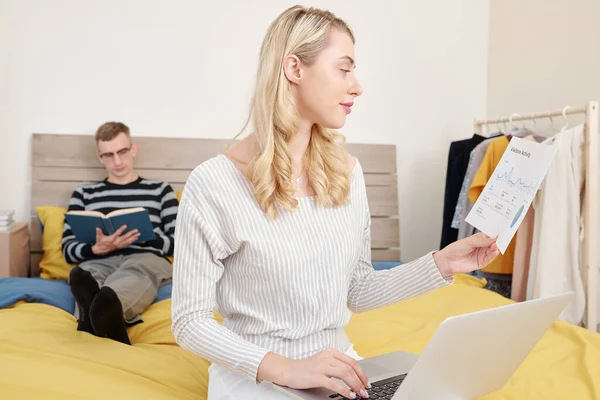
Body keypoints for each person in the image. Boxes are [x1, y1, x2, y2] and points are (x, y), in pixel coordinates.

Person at [171, 5, 499, 400]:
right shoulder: (214, 183)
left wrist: (442, 263)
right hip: (255, 376)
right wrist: (289, 370)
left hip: (340, 369)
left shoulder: (347, 173)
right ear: (294, 69)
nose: (357, 86)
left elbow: (358, 290)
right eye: (343, 69)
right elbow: (189, 322)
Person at [63, 122, 178, 345]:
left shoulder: (160, 190)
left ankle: (98, 314)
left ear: (133, 149)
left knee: (136, 271)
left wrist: (142, 235)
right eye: (108, 155)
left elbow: (179, 242)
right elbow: (68, 249)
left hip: (146, 256)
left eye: (122, 151)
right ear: (99, 157)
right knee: (86, 274)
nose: (117, 161)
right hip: (99, 258)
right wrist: (95, 248)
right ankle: (105, 319)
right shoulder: (84, 194)